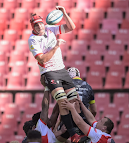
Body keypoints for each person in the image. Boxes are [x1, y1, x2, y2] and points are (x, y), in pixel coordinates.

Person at [28, 5, 85, 142]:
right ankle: (73, 134)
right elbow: (42, 59)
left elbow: (71, 27)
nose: (40, 27)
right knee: (63, 102)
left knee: (75, 101)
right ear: (33, 28)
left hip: (62, 70)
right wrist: (56, 46)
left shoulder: (49, 29)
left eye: (41, 24)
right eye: (36, 26)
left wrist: (64, 13)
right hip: (50, 72)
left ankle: (75, 130)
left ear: (43, 23)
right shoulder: (33, 40)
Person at [56, 67, 97, 142]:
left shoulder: (65, 86)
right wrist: (88, 120)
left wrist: (60, 122)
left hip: (69, 122)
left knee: (57, 140)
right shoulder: (88, 86)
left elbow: (61, 108)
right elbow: (94, 110)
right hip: (84, 122)